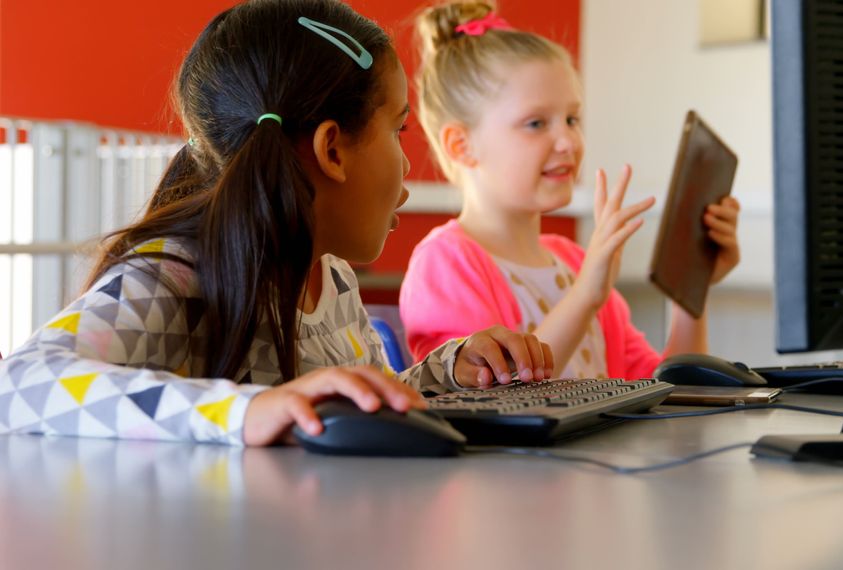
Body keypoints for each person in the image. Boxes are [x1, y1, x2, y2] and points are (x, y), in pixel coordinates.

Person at [0, 0, 553, 447]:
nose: (408, 164)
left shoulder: (331, 276)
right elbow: (19, 384)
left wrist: (447, 373)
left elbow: (344, 409)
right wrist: (249, 412)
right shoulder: (179, 273)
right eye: (398, 130)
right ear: (332, 150)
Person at [399, 1, 741, 380]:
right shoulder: (445, 264)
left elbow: (671, 393)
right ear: (460, 145)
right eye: (536, 123)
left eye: (572, 119)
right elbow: (485, 398)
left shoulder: (576, 262)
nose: (568, 142)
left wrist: (692, 286)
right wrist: (585, 296)